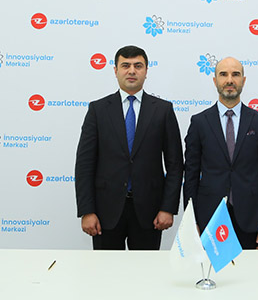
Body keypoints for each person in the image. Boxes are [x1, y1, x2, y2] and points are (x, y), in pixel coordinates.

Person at [75, 45, 183, 250]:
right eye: (125, 65)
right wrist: (87, 211)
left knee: (146, 269)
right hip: (105, 213)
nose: (132, 71)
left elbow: (175, 165)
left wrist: (168, 208)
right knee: (106, 269)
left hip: (150, 213)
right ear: (115, 70)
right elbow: (84, 164)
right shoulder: (98, 110)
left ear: (146, 71)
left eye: (138, 66)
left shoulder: (163, 110)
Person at [183, 57, 258, 249]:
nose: (230, 80)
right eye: (223, 74)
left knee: (248, 268)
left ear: (243, 80)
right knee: (211, 268)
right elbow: (191, 174)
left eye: (235, 74)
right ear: (215, 80)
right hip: (209, 217)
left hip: (250, 217)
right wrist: (192, 220)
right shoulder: (199, 122)